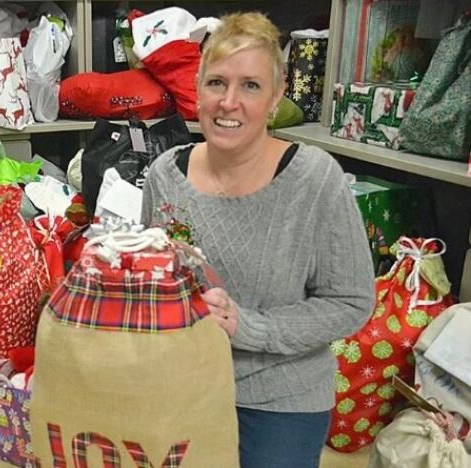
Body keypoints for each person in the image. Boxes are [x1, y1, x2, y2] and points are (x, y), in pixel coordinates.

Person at [140, 12, 375, 468]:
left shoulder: (314, 178)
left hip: (281, 396)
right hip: (182, 384)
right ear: (198, 89)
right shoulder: (166, 172)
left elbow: (351, 301)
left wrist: (248, 326)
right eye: (216, 83)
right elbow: (158, 280)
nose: (229, 102)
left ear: (275, 98)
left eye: (250, 86)